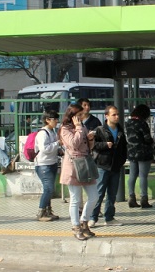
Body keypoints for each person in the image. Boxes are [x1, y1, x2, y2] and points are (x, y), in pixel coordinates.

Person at [59, 103, 99, 241]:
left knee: (94, 196)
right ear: (73, 116)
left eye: (82, 115)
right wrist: (79, 128)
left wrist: (90, 139)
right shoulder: (65, 129)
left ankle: (84, 221)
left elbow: (88, 147)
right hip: (73, 165)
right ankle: (76, 226)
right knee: (75, 199)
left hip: (86, 163)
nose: (82, 118)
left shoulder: (82, 126)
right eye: (79, 115)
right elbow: (74, 144)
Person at [89, 105, 127, 227]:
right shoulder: (100, 130)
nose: (116, 117)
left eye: (117, 114)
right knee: (99, 193)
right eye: (113, 115)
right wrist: (105, 145)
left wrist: (121, 161)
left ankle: (109, 217)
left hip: (116, 166)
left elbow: (123, 148)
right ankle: (92, 217)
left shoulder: (120, 129)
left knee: (112, 194)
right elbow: (93, 145)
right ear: (107, 116)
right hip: (102, 165)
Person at [125, 104, 155, 209]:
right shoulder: (142, 123)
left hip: (131, 152)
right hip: (143, 153)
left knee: (132, 175)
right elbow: (147, 138)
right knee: (143, 176)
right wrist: (152, 142)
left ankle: (131, 197)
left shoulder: (128, 123)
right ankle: (144, 199)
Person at [34, 110, 61, 222]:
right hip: (43, 164)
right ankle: (41, 212)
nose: (56, 121)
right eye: (54, 119)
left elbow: (53, 148)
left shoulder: (52, 132)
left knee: (49, 189)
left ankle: (48, 211)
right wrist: (57, 144)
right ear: (47, 120)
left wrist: (58, 149)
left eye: (56, 119)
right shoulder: (42, 133)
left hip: (52, 163)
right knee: (48, 189)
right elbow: (44, 149)